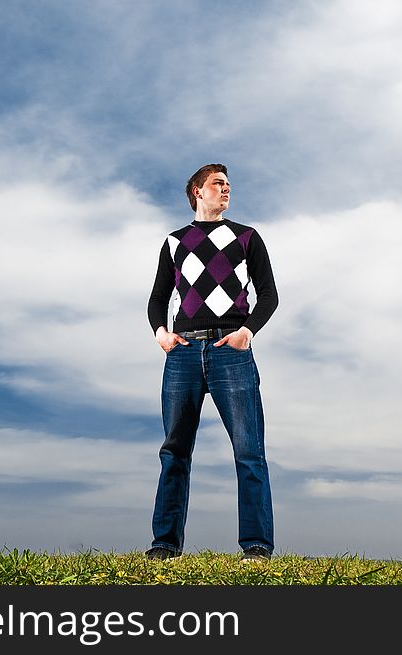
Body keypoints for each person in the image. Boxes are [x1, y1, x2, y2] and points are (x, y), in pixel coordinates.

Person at [145, 163, 279, 562]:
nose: (227, 190)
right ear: (197, 192)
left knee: (249, 450)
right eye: (218, 184)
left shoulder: (246, 237)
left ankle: (256, 546)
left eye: (228, 185)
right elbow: (157, 298)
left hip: (231, 352)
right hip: (182, 353)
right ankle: (165, 545)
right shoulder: (174, 242)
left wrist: (247, 332)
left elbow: (268, 296)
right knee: (174, 452)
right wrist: (161, 333)